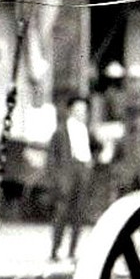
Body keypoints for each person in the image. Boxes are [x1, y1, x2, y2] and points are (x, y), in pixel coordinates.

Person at [48, 95, 98, 262]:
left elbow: (98, 147)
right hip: (67, 175)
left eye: (84, 111)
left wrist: (92, 162)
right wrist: (57, 177)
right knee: (61, 214)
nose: (81, 113)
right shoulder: (61, 131)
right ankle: (55, 251)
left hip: (83, 172)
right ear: (70, 111)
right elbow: (52, 157)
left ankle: (72, 252)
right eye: (78, 110)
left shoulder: (87, 130)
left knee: (79, 214)